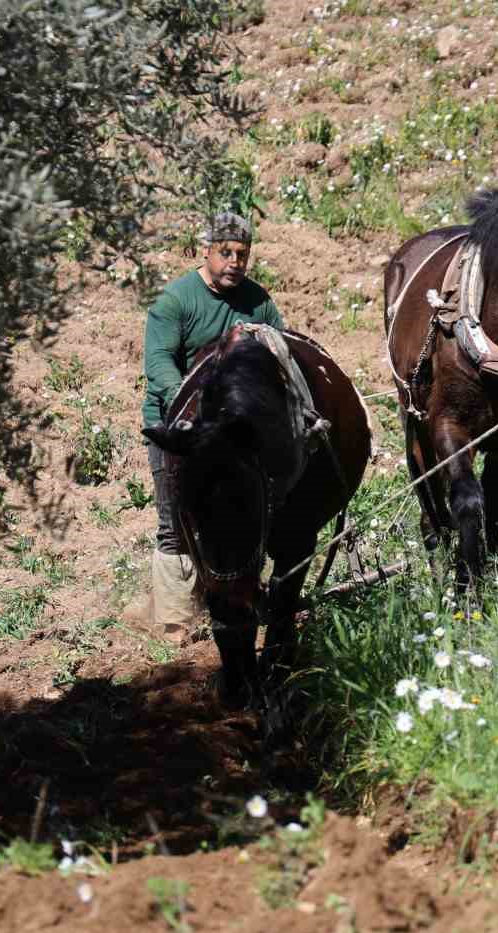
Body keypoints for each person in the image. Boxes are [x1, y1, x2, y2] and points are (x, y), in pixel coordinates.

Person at [127, 210, 284, 640]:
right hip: (179, 429)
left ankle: (241, 594)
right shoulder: (175, 300)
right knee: (175, 522)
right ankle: (175, 619)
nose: (235, 262)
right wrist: (187, 407)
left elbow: (279, 347)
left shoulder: (258, 302)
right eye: (226, 253)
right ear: (206, 251)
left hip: (235, 434)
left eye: (243, 254)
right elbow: (158, 362)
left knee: (245, 515)